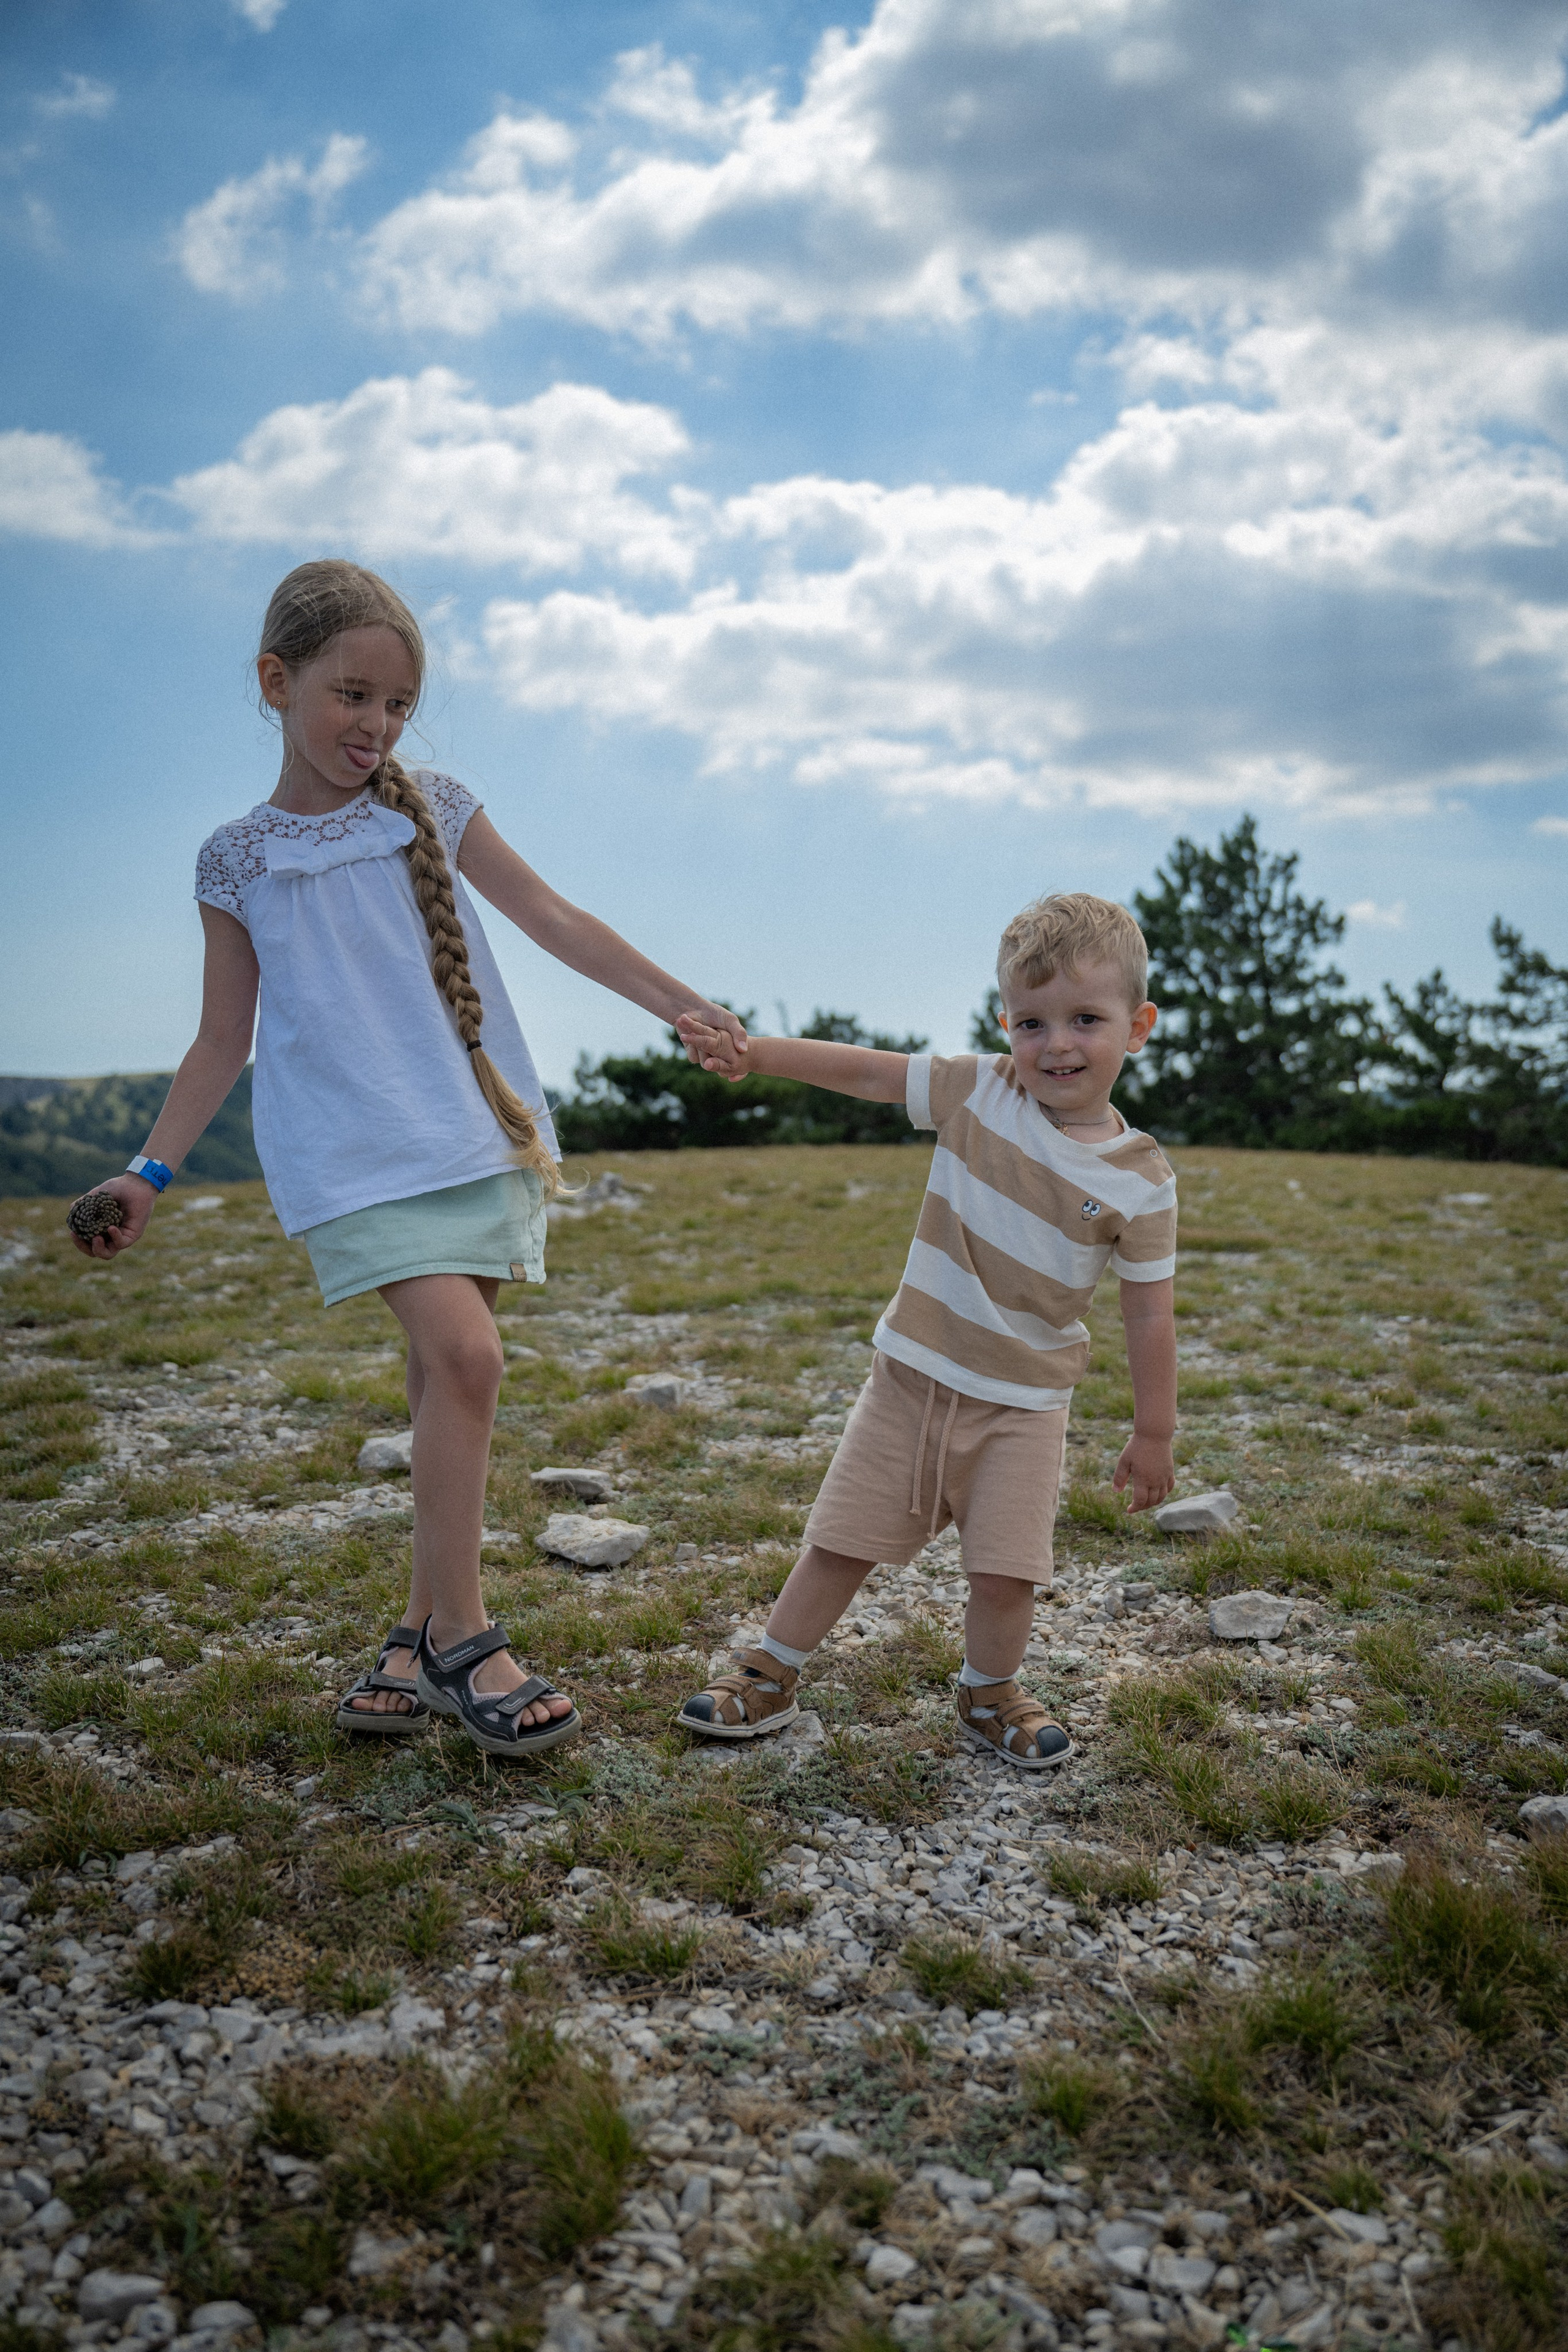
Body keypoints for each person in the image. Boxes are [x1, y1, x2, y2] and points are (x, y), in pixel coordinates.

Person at [67, 559, 745, 1758]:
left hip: (471, 1130)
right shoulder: (237, 858)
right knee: (468, 1357)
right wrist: (148, 1172)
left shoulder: (433, 805)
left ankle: (411, 1636)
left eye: (394, 705)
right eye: (349, 695)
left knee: (450, 1387)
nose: (372, 725)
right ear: (277, 683)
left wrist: (680, 1005)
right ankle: (463, 1642)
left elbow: (554, 920)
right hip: (350, 1152)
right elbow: (224, 1038)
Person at [673, 893, 1177, 1771]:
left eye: (1085, 1020)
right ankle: (771, 1670)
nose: (1056, 1044)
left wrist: (1155, 1429)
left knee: (1006, 1572)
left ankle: (990, 1695)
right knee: (840, 1542)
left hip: (1025, 1407)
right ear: (1004, 1024)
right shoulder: (977, 1091)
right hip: (911, 1379)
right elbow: (866, 1072)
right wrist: (756, 1054)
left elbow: (1148, 1311)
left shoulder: (1143, 1178)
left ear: (1137, 1027)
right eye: (1032, 1022)